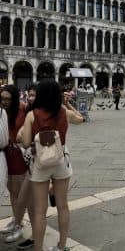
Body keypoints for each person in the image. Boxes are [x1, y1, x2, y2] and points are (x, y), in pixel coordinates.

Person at [18, 80, 86, 251]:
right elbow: (81, 119)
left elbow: (25, 143)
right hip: (60, 161)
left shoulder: (32, 115)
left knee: (40, 210)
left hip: (40, 163)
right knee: (63, 205)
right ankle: (61, 246)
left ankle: (38, 249)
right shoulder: (64, 113)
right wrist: (68, 103)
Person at [1, 84, 35, 249]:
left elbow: (22, 133)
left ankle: (19, 225)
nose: (4, 101)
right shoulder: (3, 110)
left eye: (8, 99)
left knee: (19, 193)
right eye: (2, 98)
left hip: (18, 154)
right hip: (7, 152)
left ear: (14, 99)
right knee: (12, 191)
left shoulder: (22, 109)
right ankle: (16, 219)